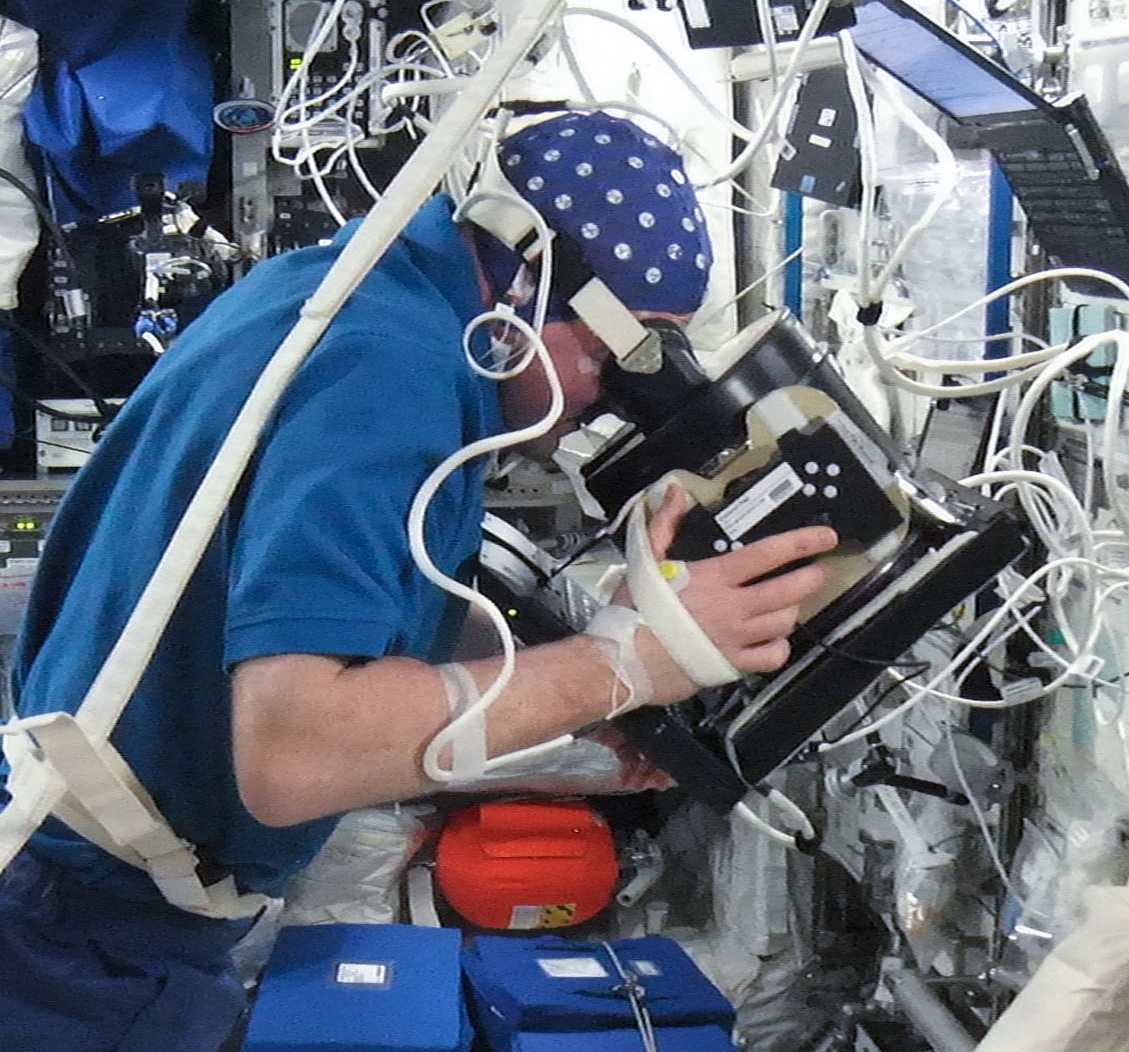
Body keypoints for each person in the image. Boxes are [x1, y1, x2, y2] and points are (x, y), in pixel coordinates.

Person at [0, 110, 837, 1051]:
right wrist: (629, 662)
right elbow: (292, 754)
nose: (612, 398)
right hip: (85, 950)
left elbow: (362, 608)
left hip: (78, 893)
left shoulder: (356, 292)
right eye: (620, 355)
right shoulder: (390, 369)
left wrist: (579, 685)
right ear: (533, 284)